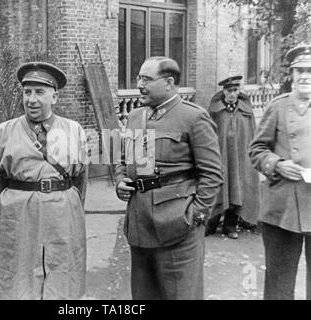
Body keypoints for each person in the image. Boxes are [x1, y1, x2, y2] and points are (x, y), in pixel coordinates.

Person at [115, 56, 223, 300]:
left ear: (169, 82)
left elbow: (213, 174)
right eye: (138, 78)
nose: (139, 84)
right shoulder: (135, 117)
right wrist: (120, 179)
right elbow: (123, 162)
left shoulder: (193, 117)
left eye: (146, 79)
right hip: (139, 225)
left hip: (177, 226)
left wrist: (195, 216)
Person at [0, 61, 88, 300]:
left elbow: (81, 179)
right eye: (27, 92)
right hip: (19, 214)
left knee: (62, 278)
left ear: (55, 96)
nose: (31, 99)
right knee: (18, 280)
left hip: (62, 214)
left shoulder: (73, 130)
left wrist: (69, 206)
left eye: (39, 92)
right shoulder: (4, 131)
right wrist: (11, 207)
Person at [249, 42, 311, 300]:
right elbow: (256, 149)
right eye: (300, 71)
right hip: (283, 206)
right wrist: (277, 164)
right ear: (292, 75)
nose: (306, 76)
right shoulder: (277, 107)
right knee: (278, 282)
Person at [206, 76, 260, 239]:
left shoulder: (246, 111)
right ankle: (211, 224)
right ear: (223, 91)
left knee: (237, 189)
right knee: (218, 188)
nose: (232, 94)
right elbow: (208, 134)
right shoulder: (215, 111)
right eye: (229, 91)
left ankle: (230, 226)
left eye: (235, 90)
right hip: (220, 156)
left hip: (239, 158)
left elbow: (252, 134)